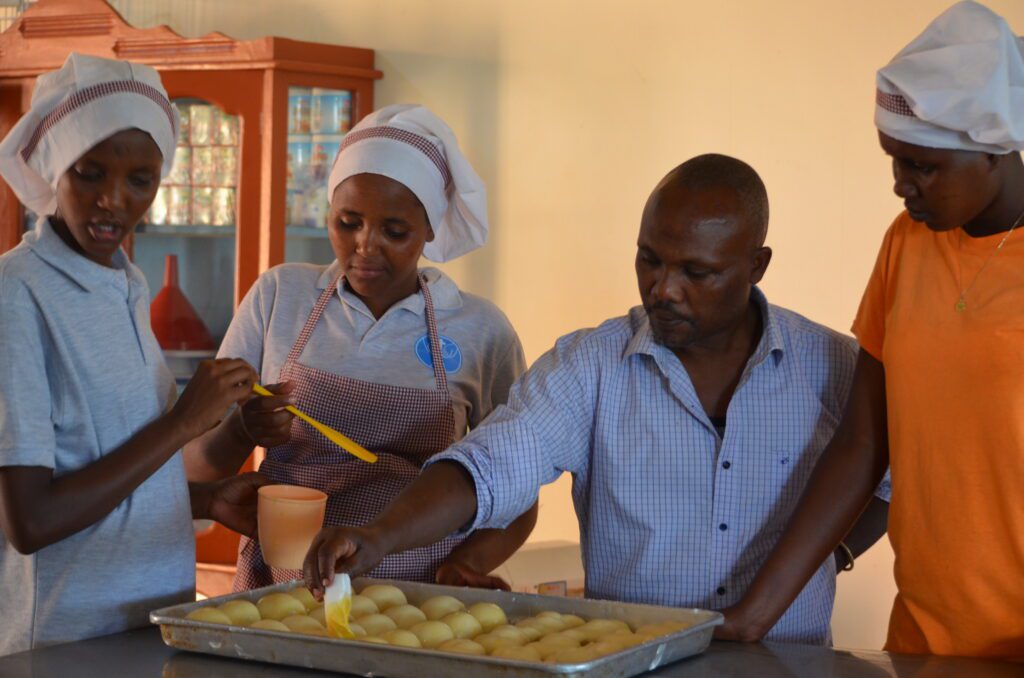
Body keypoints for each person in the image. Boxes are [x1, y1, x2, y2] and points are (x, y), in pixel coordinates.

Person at [300, 153, 890, 645]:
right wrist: (380, 535)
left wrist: (828, 555)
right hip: (635, 656)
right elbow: (490, 463)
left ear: (756, 265)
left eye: (696, 272)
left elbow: (891, 482)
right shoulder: (593, 366)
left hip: (790, 663)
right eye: (649, 260)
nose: (664, 289)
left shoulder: (832, 367)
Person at [715, 1, 1024, 660]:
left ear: (994, 150)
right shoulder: (908, 244)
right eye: (893, 159)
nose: (899, 184)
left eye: (923, 166)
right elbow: (862, 445)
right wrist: (752, 616)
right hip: (924, 642)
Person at [186, 105, 536, 591]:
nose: (365, 246)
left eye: (394, 232)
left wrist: (466, 566)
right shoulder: (279, 297)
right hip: (285, 586)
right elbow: (198, 468)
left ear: (431, 228)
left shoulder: (481, 330)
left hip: (420, 595)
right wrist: (243, 431)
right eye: (347, 222)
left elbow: (517, 486)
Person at [0, 53, 265, 655]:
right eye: (89, 173)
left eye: (139, 180)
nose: (113, 201)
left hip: (151, 622)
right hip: (63, 642)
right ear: (55, 167)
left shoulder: (124, 283)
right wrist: (183, 423)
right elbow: (30, 522)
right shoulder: (18, 295)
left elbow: (104, 469)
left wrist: (200, 501)